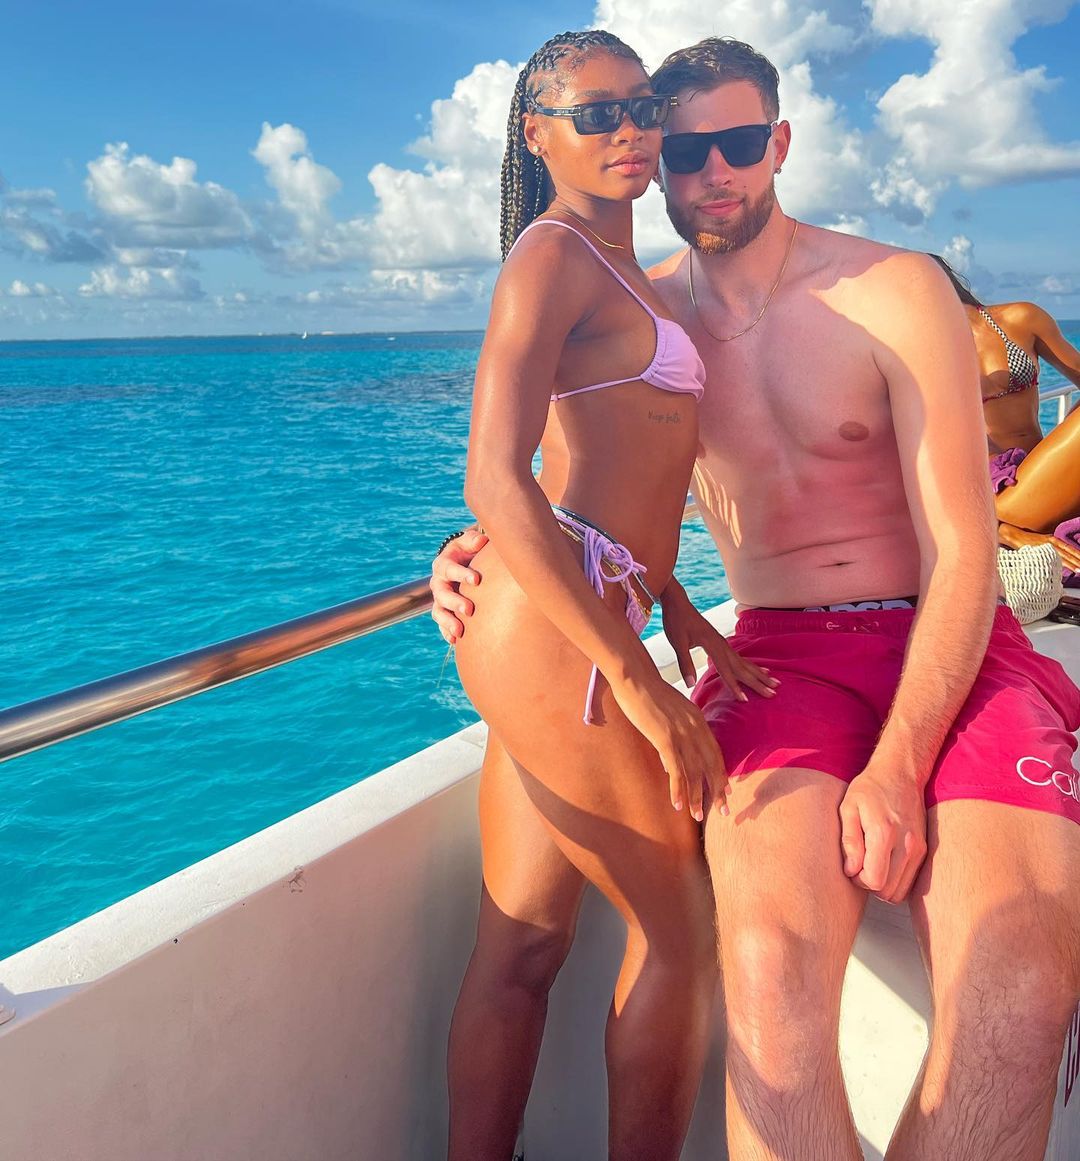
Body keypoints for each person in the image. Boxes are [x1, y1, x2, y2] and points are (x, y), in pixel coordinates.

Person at [433, 36, 1080, 1161]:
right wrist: (463, 556)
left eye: (736, 143)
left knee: (1021, 994)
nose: (710, 171)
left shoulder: (893, 288)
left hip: (949, 643)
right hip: (774, 655)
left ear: (779, 143)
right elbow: (544, 476)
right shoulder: (641, 308)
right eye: (684, 149)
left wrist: (896, 763)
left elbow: (964, 548)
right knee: (756, 973)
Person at [443, 29, 773, 1161]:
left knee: (525, 945)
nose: (630, 130)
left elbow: (624, 463)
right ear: (538, 135)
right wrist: (637, 680)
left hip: (592, 607)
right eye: (597, 114)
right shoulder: (552, 258)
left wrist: (675, 606)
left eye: (642, 109)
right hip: (562, 634)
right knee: (680, 934)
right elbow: (494, 478)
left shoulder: (622, 263)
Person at [931, 254, 1080, 572]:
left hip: (1038, 472)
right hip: (992, 498)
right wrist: (1005, 532)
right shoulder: (921, 353)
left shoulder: (1021, 318)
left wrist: (1066, 446)